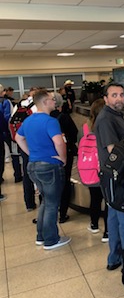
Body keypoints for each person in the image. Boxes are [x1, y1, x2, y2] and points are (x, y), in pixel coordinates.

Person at [15, 89, 70, 250]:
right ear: (45, 102)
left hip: (33, 166)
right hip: (49, 167)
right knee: (52, 204)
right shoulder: (50, 121)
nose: (55, 101)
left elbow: (18, 138)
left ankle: (41, 236)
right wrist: (63, 158)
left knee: (45, 202)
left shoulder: (29, 120)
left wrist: (31, 153)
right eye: (52, 99)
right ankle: (51, 239)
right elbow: (59, 142)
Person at [94, 83, 124, 270]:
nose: (119, 98)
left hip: (112, 177)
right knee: (123, 220)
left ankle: (115, 257)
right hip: (116, 177)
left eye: (121, 95)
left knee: (114, 215)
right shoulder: (106, 119)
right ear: (106, 99)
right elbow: (113, 152)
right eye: (114, 95)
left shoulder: (114, 116)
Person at [51, 92, 78, 223]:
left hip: (49, 155)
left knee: (50, 184)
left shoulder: (45, 118)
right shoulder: (64, 117)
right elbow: (74, 133)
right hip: (65, 154)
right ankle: (63, 213)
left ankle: (51, 211)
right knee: (65, 181)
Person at [85, 99, 108, 240]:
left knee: (94, 199)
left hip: (90, 169)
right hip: (104, 168)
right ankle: (107, 232)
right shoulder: (106, 127)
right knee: (107, 202)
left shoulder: (85, 128)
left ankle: (94, 224)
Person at [13, 87, 39, 211]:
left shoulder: (18, 106)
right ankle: (42, 200)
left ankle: (29, 203)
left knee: (27, 172)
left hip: (22, 143)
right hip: (36, 144)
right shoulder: (36, 107)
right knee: (40, 172)